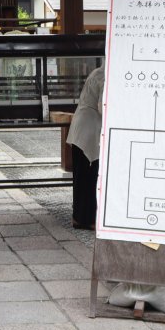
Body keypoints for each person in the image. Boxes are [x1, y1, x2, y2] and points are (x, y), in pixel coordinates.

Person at [66, 63, 105, 230]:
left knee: (82, 176)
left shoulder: (97, 72)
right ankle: (86, 219)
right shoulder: (104, 76)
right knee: (90, 176)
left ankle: (79, 217)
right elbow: (103, 106)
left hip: (82, 128)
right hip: (88, 130)